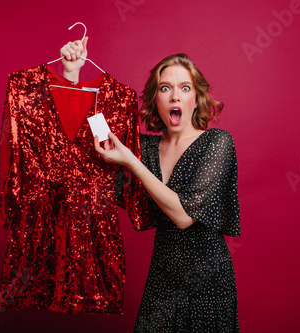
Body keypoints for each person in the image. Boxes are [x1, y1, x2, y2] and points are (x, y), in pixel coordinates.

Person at [60, 38, 241, 332]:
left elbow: (183, 217)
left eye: (185, 88)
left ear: (197, 99)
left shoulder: (217, 143)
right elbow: (80, 143)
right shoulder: (142, 148)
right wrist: (72, 75)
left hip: (209, 282)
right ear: (156, 99)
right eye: (165, 88)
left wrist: (132, 162)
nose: (175, 97)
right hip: (162, 278)